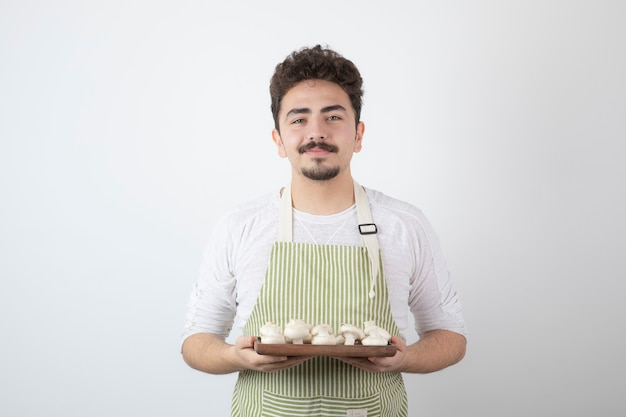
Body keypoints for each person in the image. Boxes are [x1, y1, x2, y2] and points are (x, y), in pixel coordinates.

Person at [182, 45, 467, 416]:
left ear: (358, 134)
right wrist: (233, 356)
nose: (316, 133)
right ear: (278, 140)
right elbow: (195, 341)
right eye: (299, 119)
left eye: (333, 117)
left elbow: (451, 336)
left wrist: (404, 358)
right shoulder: (240, 225)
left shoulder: (404, 224)